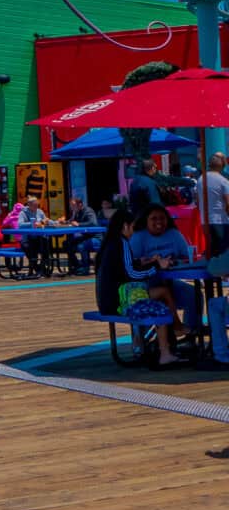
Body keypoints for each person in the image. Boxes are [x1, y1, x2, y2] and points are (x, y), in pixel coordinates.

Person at [95, 208, 179, 366]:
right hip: (121, 301)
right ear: (125, 226)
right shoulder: (122, 243)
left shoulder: (109, 244)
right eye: (132, 227)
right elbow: (132, 273)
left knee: (163, 292)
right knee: (161, 308)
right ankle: (165, 352)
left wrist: (144, 261)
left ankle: (169, 333)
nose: (133, 231)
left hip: (108, 302)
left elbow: (123, 268)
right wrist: (157, 267)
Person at [130, 204, 201, 335]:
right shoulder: (139, 237)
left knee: (194, 294)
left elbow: (187, 256)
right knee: (158, 298)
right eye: (154, 218)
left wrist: (174, 261)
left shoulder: (174, 234)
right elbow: (133, 264)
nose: (159, 222)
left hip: (170, 282)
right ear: (146, 220)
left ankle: (191, 335)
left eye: (162, 218)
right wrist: (154, 262)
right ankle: (140, 339)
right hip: (146, 286)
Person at [197, 152, 229, 258]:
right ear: (223, 165)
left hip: (205, 221)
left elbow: (197, 201)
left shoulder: (201, 179)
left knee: (212, 252)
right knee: (223, 254)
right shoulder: (223, 181)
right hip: (221, 221)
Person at [65, 196, 99, 275]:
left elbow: (93, 223)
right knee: (67, 244)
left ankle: (85, 269)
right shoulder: (76, 212)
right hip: (86, 237)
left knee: (82, 245)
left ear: (79, 204)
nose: (72, 207)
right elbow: (72, 221)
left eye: (73, 205)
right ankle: (77, 266)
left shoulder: (88, 211)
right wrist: (64, 222)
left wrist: (79, 224)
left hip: (95, 237)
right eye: (71, 206)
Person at [18, 196, 50, 273]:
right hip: (27, 239)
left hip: (38, 237)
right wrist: (32, 223)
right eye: (34, 205)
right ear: (29, 205)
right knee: (30, 250)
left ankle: (42, 266)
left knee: (46, 245)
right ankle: (37, 268)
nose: (36, 207)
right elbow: (20, 224)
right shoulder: (23, 213)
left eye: (37, 205)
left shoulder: (40, 212)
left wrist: (50, 221)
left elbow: (45, 221)